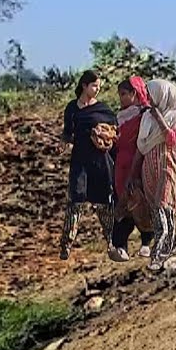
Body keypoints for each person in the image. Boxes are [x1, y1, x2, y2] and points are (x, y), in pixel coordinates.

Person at [130, 79, 176, 272]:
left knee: (163, 205)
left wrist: (159, 119)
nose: (147, 98)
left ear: (162, 94)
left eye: (150, 94)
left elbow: (173, 139)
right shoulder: (147, 116)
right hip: (149, 167)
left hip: (168, 165)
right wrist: (133, 173)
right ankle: (170, 244)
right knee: (157, 210)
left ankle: (160, 253)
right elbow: (141, 146)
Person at [60, 70, 117, 260]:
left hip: (101, 161)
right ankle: (66, 244)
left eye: (99, 86)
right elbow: (68, 132)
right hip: (80, 160)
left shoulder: (103, 110)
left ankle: (112, 241)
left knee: (104, 203)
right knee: (75, 201)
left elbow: (114, 132)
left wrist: (105, 136)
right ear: (84, 86)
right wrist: (65, 144)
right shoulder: (72, 109)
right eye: (94, 86)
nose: (97, 89)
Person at [109, 77, 154, 262]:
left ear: (134, 94)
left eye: (124, 94)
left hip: (139, 164)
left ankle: (146, 244)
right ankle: (120, 246)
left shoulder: (146, 116)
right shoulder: (120, 117)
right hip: (121, 165)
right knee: (122, 204)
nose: (121, 98)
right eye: (120, 94)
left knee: (140, 204)